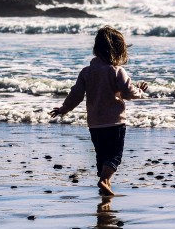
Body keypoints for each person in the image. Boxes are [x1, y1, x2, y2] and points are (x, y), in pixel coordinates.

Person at [49, 26, 147, 196]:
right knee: (115, 156)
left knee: (101, 155)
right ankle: (103, 180)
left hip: (95, 124)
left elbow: (76, 95)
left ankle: (106, 183)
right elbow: (128, 92)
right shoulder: (116, 71)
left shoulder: (86, 72)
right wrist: (140, 91)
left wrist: (64, 109)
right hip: (115, 122)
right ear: (117, 50)